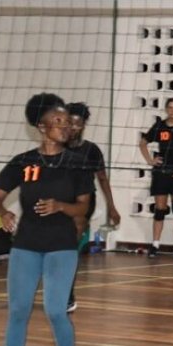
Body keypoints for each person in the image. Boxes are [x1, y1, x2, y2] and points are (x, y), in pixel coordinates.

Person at [0, 93, 94, 346]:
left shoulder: (77, 163)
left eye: (67, 122)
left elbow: (83, 210)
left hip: (61, 246)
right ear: (41, 126)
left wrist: (60, 206)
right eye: (58, 121)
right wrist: (2, 214)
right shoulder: (23, 161)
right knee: (18, 311)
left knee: (54, 311)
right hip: (25, 246)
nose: (66, 127)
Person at [66, 102, 122, 312]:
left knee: (70, 248)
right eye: (70, 123)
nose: (73, 128)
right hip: (60, 203)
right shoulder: (57, 147)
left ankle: (68, 295)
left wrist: (112, 207)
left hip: (84, 204)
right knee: (54, 249)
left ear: (83, 125)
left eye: (77, 124)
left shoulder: (91, 150)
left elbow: (102, 179)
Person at [139, 97, 173, 258]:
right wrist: (150, 160)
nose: (172, 110)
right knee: (160, 210)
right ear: (166, 109)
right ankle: (155, 245)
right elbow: (143, 143)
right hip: (161, 172)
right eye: (170, 107)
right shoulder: (159, 126)